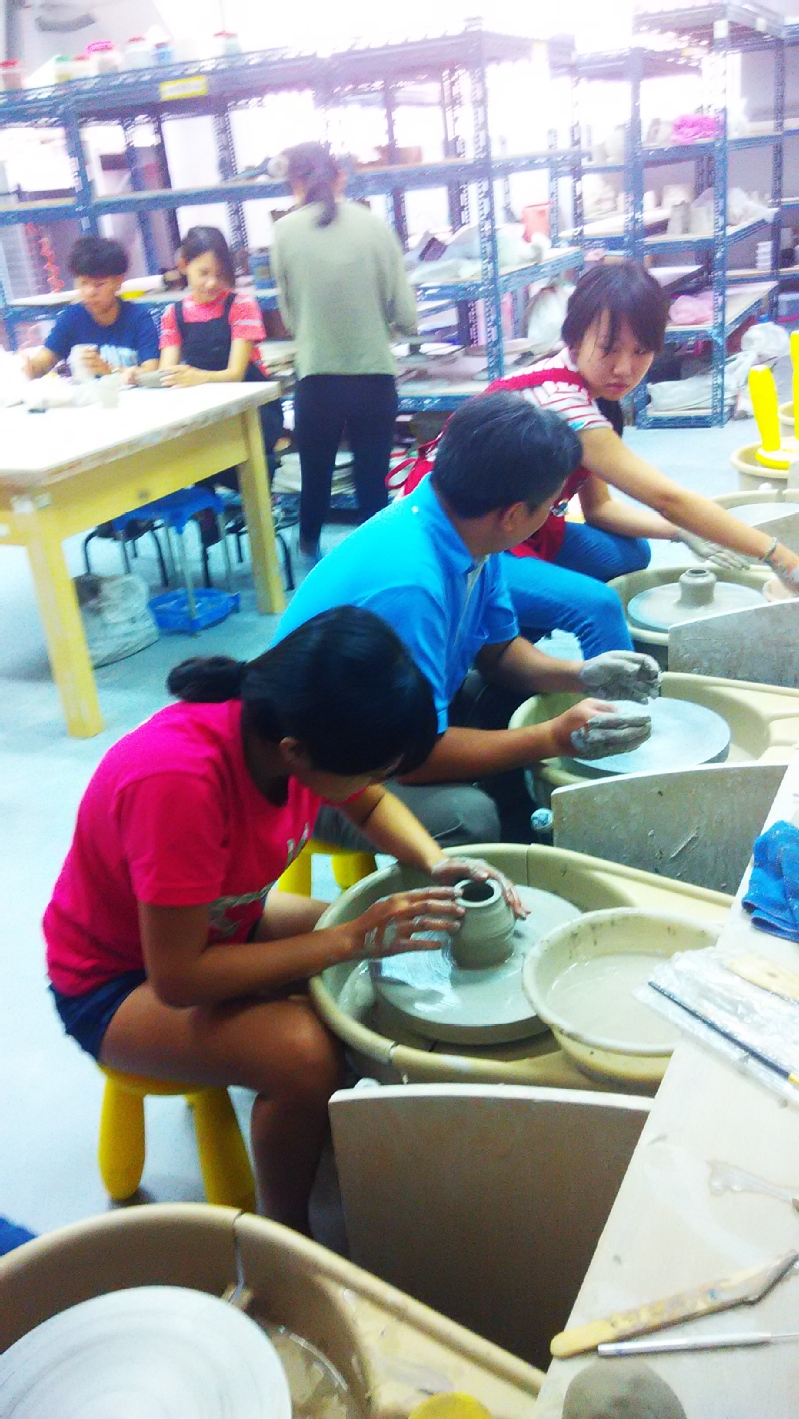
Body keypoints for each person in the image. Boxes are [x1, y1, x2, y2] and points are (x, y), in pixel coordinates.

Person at [44, 607, 525, 1234]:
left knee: (382, 956)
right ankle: (285, 1235)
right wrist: (347, 939)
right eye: (370, 769)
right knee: (306, 1053)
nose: (376, 783)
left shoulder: (291, 725)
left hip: (222, 920)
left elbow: (368, 802)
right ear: (296, 753)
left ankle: (327, 1131)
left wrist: (435, 862)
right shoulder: (179, 781)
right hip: (117, 980)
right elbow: (179, 979)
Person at [275, 392, 660, 850]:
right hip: (321, 771)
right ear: (513, 515)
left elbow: (499, 653)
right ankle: (482, 877)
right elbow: (414, 760)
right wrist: (552, 737)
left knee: (513, 699)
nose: (552, 516)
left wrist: (581, 674)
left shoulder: (468, 531)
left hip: (388, 725)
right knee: (468, 817)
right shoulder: (411, 587)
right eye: (553, 507)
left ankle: (522, 842)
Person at [486, 261, 799, 655]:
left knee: (629, 553)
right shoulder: (562, 402)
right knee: (598, 608)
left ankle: (513, 633)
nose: (624, 368)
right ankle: (501, 649)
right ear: (575, 337)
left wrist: (681, 533)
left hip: (522, 526)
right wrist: (779, 556)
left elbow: (599, 510)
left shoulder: (589, 389)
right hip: (471, 540)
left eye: (641, 351)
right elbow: (668, 499)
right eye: (608, 348)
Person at [270, 142, 418, 565]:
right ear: (340, 177)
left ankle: (310, 562)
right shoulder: (375, 227)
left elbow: (290, 315)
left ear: (295, 183)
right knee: (372, 483)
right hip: (374, 377)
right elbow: (407, 316)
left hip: (317, 377)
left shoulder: (284, 232)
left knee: (315, 479)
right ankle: (376, 567)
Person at [159, 225, 284, 480]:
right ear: (183, 266)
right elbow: (166, 373)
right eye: (203, 273)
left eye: (220, 273)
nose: (212, 282)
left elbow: (235, 374)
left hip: (252, 410)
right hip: (205, 409)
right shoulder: (173, 313)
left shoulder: (241, 305)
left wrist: (198, 377)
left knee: (243, 468)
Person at [23, 235, 159, 381]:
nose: (90, 292)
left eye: (99, 285)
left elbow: (152, 371)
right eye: (83, 283)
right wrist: (32, 367)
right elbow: (45, 359)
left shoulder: (138, 318)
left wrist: (110, 370)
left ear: (119, 281)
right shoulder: (72, 317)